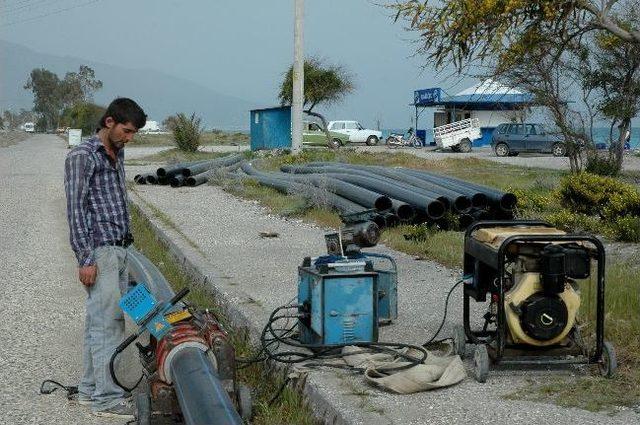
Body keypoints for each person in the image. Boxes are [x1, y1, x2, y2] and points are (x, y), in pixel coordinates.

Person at [64, 98, 146, 419]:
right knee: (108, 324)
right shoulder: (82, 156)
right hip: (100, 252)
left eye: (134, 133)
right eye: (126, 130)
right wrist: (85, 258)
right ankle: (107, 399)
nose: (130, 137)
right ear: (109, 122)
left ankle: (89, 390)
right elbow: (75, 209)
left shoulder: (117, 152)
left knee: (100, 322)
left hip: (121, 248)